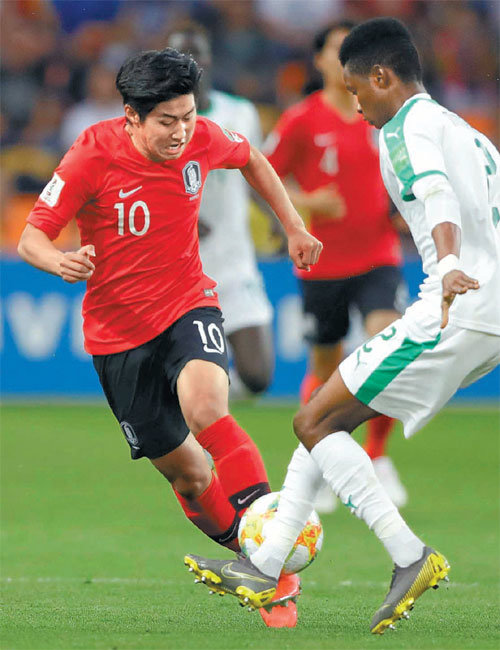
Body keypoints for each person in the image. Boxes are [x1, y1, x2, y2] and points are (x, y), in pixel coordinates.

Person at [184, 17, 500, 635]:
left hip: (455, 305)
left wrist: (454, 265)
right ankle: (266, 564)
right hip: (483, 308)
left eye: (358, 92)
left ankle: (408, 555)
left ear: (383, 77)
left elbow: (433, 195)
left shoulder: (405, 129)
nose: (356, 107)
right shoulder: (467, 132)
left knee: (313, 419)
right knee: (326, 418)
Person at [17, 46, 322, 619]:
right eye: (167, 121)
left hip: (188, 304)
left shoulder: (202, 135)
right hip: (116, 337)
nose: (183, 132)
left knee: (207, 406)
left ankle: (268, 567)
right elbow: (33, 235)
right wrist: (57, 261)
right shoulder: (89, 155)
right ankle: (245, 551)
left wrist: (294, 225)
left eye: (188, 116)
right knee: (189, 477)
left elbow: (252, 158)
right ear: (132, 116)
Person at [264, 21, 408, 512]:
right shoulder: (302, 119)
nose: (344, 57)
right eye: (335, 49)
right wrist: (306, 201)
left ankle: (378, 456)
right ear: (320, 60)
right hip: (322, 263)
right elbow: (263, 176)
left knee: (387, 347)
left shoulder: (383, 116)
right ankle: (325, 460)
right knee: (326, 368)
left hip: (378, 256)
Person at [166, 22, 275, 398]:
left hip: (233, 260)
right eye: (176, 55)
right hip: (181, 266)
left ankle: (213, 396)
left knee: (258, 376)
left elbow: (255, 170)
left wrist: (279, 218)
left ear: (207, 60)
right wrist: (181, 219)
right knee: (189, 374)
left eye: (191, 54)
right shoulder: (159, 120)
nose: (184, 63)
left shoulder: (240, 113)